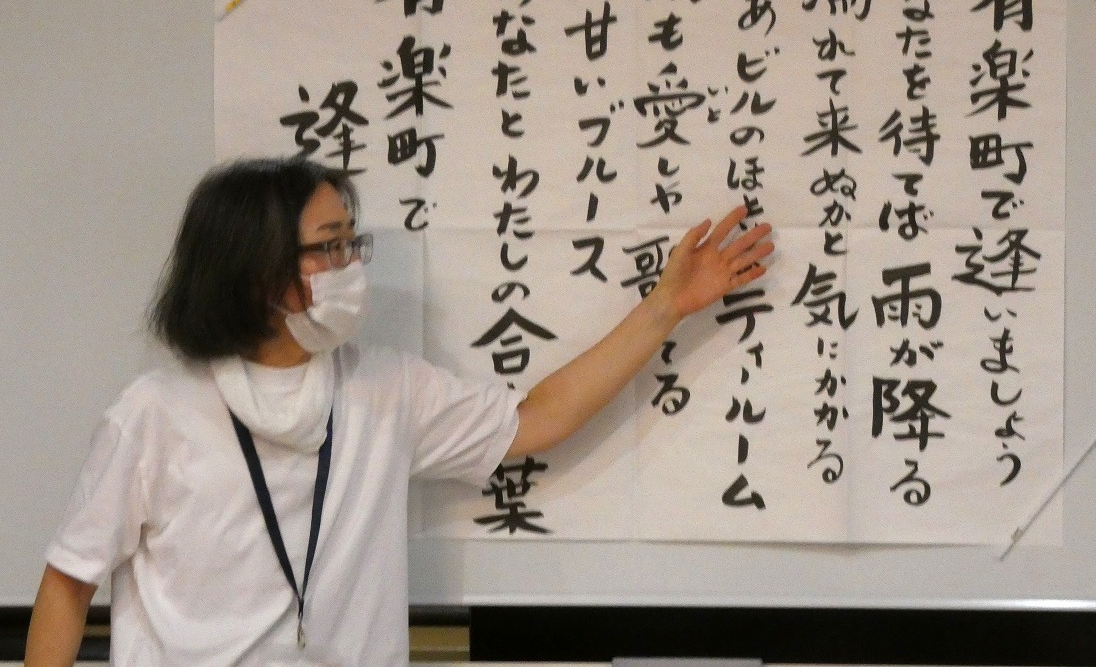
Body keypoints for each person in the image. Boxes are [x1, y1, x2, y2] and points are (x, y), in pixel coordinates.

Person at [24, 156, 774, 667]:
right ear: (257, 271)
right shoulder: (157, 413)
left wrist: (666, 306)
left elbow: (541, 418)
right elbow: (67, 584)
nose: (351, 266)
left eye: (354, 244)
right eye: (329, 248)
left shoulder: (383, 389)